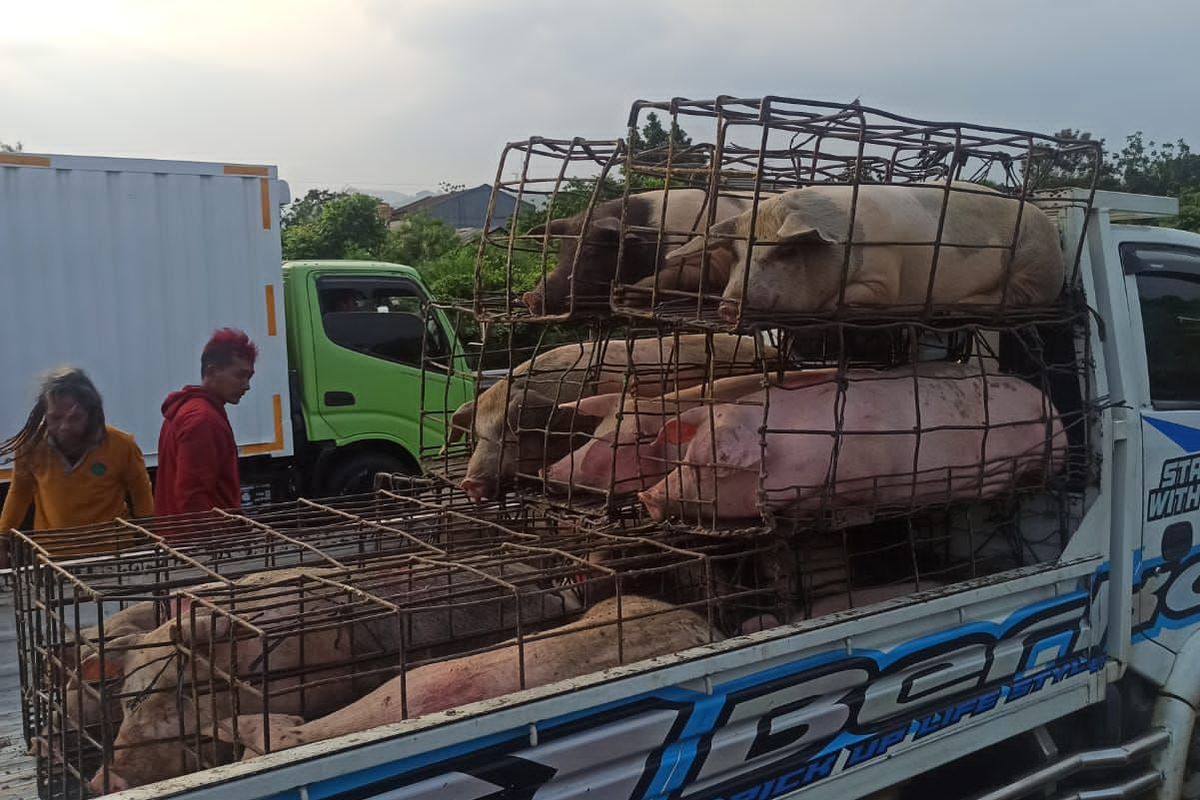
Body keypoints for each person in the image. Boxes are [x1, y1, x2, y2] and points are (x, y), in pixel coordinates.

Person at [0, 368, 154, 566]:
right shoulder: (30, 447)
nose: (64, 427)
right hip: (52, 556)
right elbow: (19, 494)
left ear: (91, 415)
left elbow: (140, 491)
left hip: (113, 554)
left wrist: (147, 535)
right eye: (55, 418)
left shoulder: (121, 445)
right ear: (44, 414)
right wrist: (2, 539)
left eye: (75, 418)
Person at [155, 328, 257, 517]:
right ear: (211, 372)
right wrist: (211, 542)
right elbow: (193, 497)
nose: (247, 385)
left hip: (182, 538)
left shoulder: (186, 409)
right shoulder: (203, 420)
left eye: (249, 377)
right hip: (200, 542)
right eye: (240, 375)